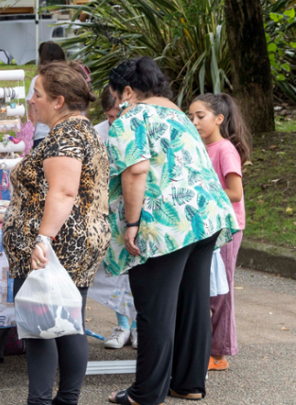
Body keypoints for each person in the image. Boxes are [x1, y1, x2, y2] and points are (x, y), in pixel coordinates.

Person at [104, 58, 241, 405]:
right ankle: (189, 383)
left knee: (155, 308)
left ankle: (146, 392)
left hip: (165, 225)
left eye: (116, 93)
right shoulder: (180, 115)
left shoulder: (133, 116)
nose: (116, 101)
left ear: (129, 91)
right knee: (193, 303)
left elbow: (135, 171)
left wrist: (131, 225)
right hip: (204, 217)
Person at [2, 61, 109, 405]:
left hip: (54, 248)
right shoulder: (83, 130)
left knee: (42, 329)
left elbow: (63, 191)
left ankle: (42, 401)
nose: (32, 100)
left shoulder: (66, 136)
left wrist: (42, 239)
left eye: (37, 94)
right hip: (75, 243)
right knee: (68, 323)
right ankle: (65, 400)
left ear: (58, 100)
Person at [188, 93, 251, 372]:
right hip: (207, 227)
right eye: (191, 116)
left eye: (200, 116)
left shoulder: (225, 149)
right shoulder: (201, 148)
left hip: (227, 227)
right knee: (209, 289)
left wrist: (201, 194)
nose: (194, 121)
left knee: (221, 290)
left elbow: (235, 193)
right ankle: (207, 348)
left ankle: (219, 352)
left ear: (219, 119)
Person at [91, 85, 138, 350]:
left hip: (132, 210)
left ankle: (139, 325)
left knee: (136, 269)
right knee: (114, 268)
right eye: (109, 117)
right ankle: (122, 323)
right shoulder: (98, 134)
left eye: (117, 116)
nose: (113, 122)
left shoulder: (135, 131)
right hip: (108, 211)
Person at [27, 42, 67, 149]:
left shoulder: (38, 81)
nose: (32, 100)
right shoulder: (70, 80)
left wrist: (27, 138)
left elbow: (32, 116)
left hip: (42, 137)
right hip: (67, 135)